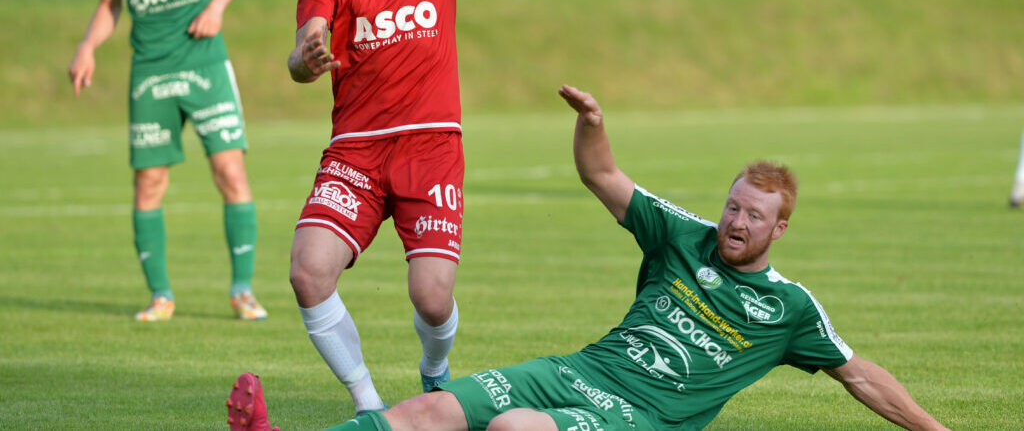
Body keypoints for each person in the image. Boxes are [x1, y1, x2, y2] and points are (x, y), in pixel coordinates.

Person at [228, 84, 951, 431]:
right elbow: (603, 176)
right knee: (430, 410)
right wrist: (593, 124)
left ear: (780, 229)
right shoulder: (684, 234)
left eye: (752, 216)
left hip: (642, 417)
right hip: (581, 370)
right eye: (733, 206)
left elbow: (861, 376)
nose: (735, 222)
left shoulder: (788, 309)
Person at [285, 0, 545, 415]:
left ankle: (434, 369)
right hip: (356, 151)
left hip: (430, 148)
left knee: (431, 297)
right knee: (308, 271)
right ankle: (369, 405)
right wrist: (308, 57)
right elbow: (303, 49)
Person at [68, 0, 267, 322]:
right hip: (151, 71)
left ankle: (242, 291)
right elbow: (109, 5)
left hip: (205, 63)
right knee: (149, 182)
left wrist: (216, 8)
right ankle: (160, 296)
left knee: (231, 172)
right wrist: (87, 47)